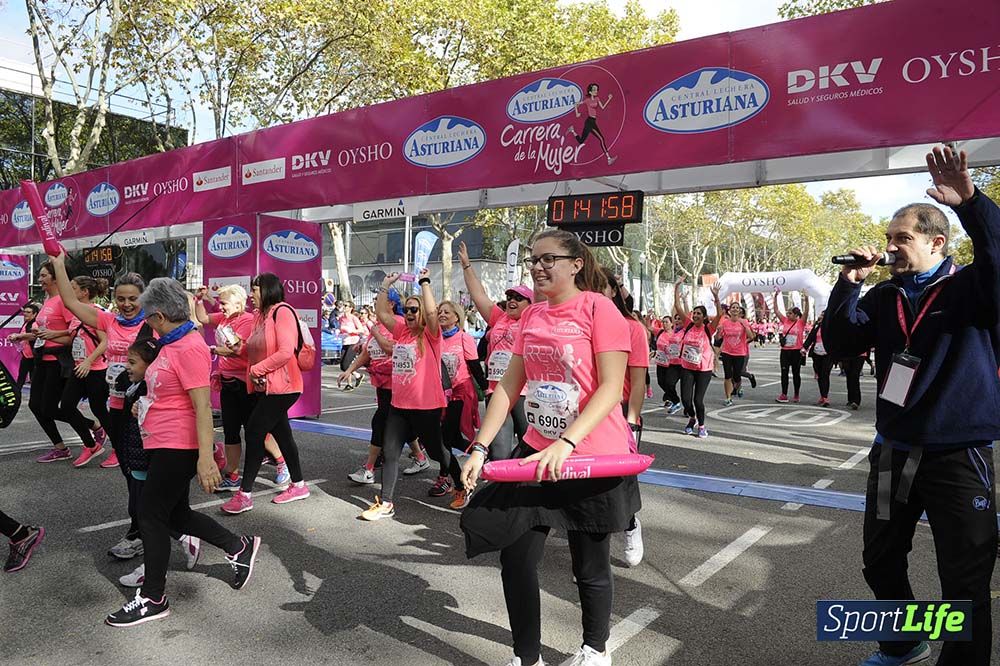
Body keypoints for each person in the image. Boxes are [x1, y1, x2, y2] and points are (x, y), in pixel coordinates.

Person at [823, 146, 1000, 666]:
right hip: (893, 451)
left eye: (902, 238)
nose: (891, 248)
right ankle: (903, 642)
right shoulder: (884, 295)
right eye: (888, 240)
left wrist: (970, 200)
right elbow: (839, 344)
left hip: (956, 455)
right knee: (879, 561)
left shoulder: (971, 287)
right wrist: (846, 285)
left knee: (964, 579)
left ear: (936, 242)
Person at [460, 229, 638, 666]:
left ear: (576, 264)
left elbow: (612, 387)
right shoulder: (531, 316)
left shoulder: (600, 309)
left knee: (588, 565)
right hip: (536, 452)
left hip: (591, 456)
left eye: (548, 259)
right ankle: (526, 657)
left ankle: (595, 650)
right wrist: (480, 446)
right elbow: (508, 385)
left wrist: (568, 441)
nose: (538, 267)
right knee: (516, 558)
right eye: (533, 260)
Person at [105, 278, 260, 627]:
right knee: (174, 516)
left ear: (160, 316)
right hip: (160, 440)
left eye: (148, 316)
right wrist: (145, 403)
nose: (145, 321)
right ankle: (239, 547)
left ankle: (153, 597)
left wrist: (206, 458)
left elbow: (203, 407)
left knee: (149, 514)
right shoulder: (170, 342)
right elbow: (167, 391)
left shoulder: (189, 346)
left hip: (179, 445)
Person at [361, 269, 465, 520]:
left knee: (437, 451)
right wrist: (386, 285)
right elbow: (382, 313)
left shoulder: (432, 335)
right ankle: (386, 502)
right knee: (390, 450)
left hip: (425, 406)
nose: (408, 314)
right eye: (406, 309)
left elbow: (431, 313)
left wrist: (425, 283)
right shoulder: (401, 331)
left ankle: (461, 486)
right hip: (399, 405)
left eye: (413, 310)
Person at [115, 338, 202, 588]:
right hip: (139, 458)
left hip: (151, 459)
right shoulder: (134, 386)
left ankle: (153, 576)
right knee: (155, 513)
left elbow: (196, 407)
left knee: (148, 514)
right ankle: (187, 541)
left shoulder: (152, 389)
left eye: (132, 362)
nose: (127, 367)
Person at [220, 273, 310, 514]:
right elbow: (252, 348)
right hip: (267, 386)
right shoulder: (260, 316)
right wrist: (238, 347)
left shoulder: (283, 311)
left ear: (268, 290)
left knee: (254, 431)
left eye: (255, 290)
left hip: (285, 386)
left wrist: (257, 369)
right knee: (283, 436)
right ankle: (299, 485)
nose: (251, 295)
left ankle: (245, 494)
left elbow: (285, 351)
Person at [194, 285, 288, 491]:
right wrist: (199, 300)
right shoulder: (225, 318)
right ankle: (233, 475)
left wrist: (213, 349)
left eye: (224, 303)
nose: (221, 307)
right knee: (230, 432)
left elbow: (238, 350)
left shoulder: (245, 320)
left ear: (238, 303)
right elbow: (203, 318)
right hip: (227, 382)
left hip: (244, 383)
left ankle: (282, 463)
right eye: (220, 303)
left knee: (256, 430)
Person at [458, 240, 531, 461]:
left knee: (530, 447)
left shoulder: (534, 318)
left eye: (519, 298)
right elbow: (479, 295)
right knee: (499, 453)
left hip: (525, 392)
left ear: (531, 303)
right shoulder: (499, 318)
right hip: (495, 391)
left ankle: (528, 490)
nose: (512, 301)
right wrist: (466, 266)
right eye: (509, 297)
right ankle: (505, 493)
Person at [30, 261, 106, 464]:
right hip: (43, 359)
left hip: (61, 362)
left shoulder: (67, 303)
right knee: (35, 405)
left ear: (56, 278)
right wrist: (27, 335)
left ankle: (93, 434)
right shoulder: (47, 300)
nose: (40, 279)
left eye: (44, 275)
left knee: (54, 407)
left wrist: (89, 360)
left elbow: (75, 334)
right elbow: (50, 331)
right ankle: (62, 446)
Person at [603, 268, 649, 568]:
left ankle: (630, 525)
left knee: (616, 483)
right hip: (582, 414)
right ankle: (592, 556)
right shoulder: (578, 324)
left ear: (613, 292)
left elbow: (638, 381)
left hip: (619, 415)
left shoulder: (633, 328)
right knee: (587, 488)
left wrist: (631, 421)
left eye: (601, 287)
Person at [437, 299, 486, 509]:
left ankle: (454, 482)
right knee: (451, 439)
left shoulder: (464, 338)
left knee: (444, 439)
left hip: (460, 395)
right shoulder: (434, 337)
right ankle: (484, 453)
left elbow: (475, 366)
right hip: (439, 397)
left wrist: (486, 387)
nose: (442, 314)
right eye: (440, 311)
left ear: (457, 317)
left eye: (447, 312)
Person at [61, 275, 112, 468]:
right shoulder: (76, 314)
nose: (69, 291)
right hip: (78, 368)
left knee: (100, 410)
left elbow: (105, 341)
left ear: (85, 292)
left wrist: (89, 362)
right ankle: (91, 445)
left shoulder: (96, 312)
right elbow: (73, 336)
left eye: (73, 288)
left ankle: (118, 449)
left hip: (96, 369)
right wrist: (50, 335)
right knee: (66, 406)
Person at [678, 285, 724, 438]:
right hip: (687, 367)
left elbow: (719, 314)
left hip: (703, 368)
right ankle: (692, 418)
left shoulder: (708, 329)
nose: (695, 315)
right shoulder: (688, 325)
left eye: (699, 313)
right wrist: (677, 288)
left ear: (704, 317)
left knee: (698, 400)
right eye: (694, 313)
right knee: (686, 400)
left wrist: (716, 297)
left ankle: (702, 426)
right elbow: (678, 308)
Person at [653, 277, 688, 415]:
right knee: (666, 383)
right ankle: (676, 401)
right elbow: (676, 308)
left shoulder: (686, 329)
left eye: (680, 318)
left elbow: (684, 311)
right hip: (672, 362)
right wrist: (676, 288)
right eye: (676, 318)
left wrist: (684, 300)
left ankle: (688, 408)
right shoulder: (671, 331)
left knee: (683, 389)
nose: (678, 320)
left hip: (684, 363)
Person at [773, 289, 809, 403]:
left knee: (796, 373)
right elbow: (776, 310)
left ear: (796, 315)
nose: (788, 315)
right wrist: (775, 297)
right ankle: (784, 394)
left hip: (796, 351)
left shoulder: (801, 322)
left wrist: (807, 298)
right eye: (787, 313)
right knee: (784, 373)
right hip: (785, 351)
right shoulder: (785, 321)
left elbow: (807, 311)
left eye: (790, 313)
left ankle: (796, 394)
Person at [717, 301, 755, 407]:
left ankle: (738, 387)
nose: (734, 309)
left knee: (737, 376)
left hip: (739, 353)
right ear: (729, 310)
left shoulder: (744, 322)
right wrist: (719, 332)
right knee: (727, 376)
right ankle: (728, 398)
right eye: (733, 307)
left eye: (737, 308)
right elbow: (718, 338)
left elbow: (751, 337)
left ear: (739, 311)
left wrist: (745, 328)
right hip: (727, 352)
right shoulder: (725, 322)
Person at [803, 310, 833, 407]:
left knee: (825, 374)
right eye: (821, 315)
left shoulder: (831, 327)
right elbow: (810, 338)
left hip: (827, 354)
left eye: (824, 315)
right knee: (820, 375)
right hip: (816, 353)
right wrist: (804, 348)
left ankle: (825, 397)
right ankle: (822, 395)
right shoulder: (817, 326)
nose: (821, 316)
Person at [8, 302, 39, 388]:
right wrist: (15, 338)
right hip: (26, 356)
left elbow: (34, 336)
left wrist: (18, 336)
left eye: (28, 312)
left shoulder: (34, 324)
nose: (25, 314)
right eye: (24, 312)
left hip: (34, 357)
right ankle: (17, 400)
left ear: (35, 314)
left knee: (34, 381)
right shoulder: (26, 323)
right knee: (20, 379)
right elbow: (25, 337)